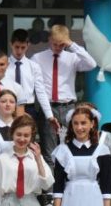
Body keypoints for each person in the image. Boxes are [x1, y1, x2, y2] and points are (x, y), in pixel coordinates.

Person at [31, 24, 96, 165]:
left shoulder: (72, 57)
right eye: (55, 44)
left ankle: (68, 178)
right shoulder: (38, 58)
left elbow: (92, 64)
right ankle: (51, 180)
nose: (58, 47)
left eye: (61, 45)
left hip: (68, 107)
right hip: (48, 107)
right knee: (49, 152)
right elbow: (36, 85)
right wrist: (48, 113)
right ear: (49, 39)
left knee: (71, 147)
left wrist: (72, 45)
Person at [7, 29, 59, 131]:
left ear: (28, 45)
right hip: (8, 107)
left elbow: (41, 91)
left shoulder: (34, 66)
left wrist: (50, 115)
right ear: (11, 44)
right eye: (17, 47)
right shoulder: (4, 65)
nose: (19, 51)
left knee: (27, 137)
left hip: (29, 108)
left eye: (23, 47)